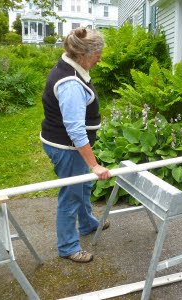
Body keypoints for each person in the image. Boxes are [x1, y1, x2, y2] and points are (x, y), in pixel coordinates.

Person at [40, 27, 111, 263]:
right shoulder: (70, 83)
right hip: (66, 148)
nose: (100, 58)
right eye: (97, 53)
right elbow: (76, 131)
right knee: (71, 195)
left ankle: (89, 223)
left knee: (83, 187)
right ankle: (68, 247)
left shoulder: (70, 66)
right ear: (83, 54)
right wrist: (94, 165)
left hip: (67, 144)